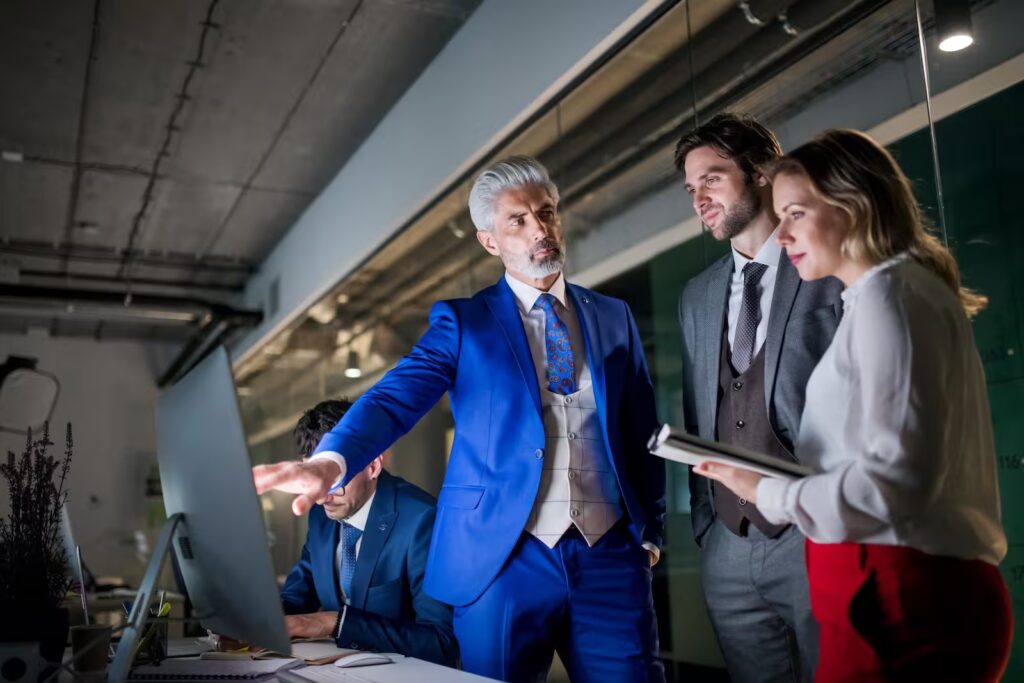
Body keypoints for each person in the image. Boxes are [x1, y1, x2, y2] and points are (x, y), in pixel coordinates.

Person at [254, 156, 666, 682]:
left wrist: (647, 536)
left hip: (609, 554)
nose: (539, 229)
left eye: (546, 212)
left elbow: (643, 432)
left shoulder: (613, 316)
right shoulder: (464, 322)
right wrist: (334, 459)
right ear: (489, 241)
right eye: (518, 220)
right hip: (502, 560)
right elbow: (393, 399)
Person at [696, 128, 1012, 681]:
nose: (782, 231)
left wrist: (765, 491)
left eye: (795, 213)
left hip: (900, 596)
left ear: (853, 204)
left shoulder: (895, 296)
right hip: (876, 590)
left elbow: (896, 482)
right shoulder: (880, 298)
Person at [674, 112, 842, 681]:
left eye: (713, 179)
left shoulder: (825, 266)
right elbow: (700, 411)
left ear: (762, 172)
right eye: (692, 188)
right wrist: (708, 526)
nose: (699, 198)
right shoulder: (696, 297)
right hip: (729, 543)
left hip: (814, 529)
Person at [278, 399, 458, 667]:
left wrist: (333, 623)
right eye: (312, 479)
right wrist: (255, 622)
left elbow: (440, 642)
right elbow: (296, 597)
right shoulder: (322, 517)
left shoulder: (421, 519)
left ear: (373, 465)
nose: (319, 498)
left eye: (333, 481)